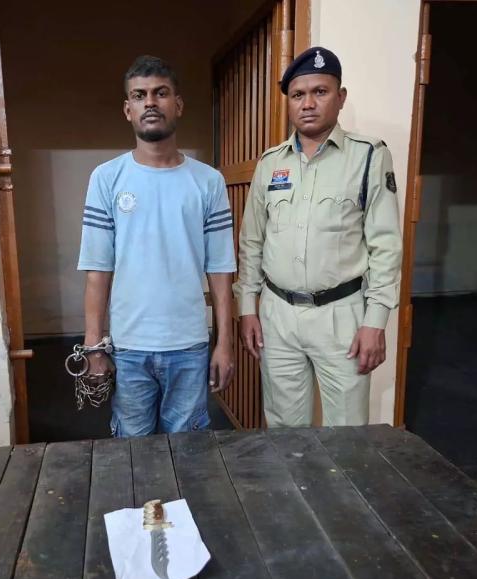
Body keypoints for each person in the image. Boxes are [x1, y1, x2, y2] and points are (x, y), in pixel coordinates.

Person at [236, 47, 402, 427]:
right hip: (277, 315)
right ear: (289, 103)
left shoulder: (369, 156)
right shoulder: (270, 163)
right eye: (298, 94)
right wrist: (247, 307)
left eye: (320, 92)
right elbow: (252, 242)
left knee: (347, 431)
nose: (308, 103)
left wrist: (375, 321)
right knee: (283, 428)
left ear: (340, 97)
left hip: (342, 316)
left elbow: (386, 246)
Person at [77, 55, 236, 437]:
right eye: (140, 95)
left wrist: (224, 343)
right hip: (129, 346)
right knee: (132, 452)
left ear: (177, 105)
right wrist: (94, 347)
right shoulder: (107, 179)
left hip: (189, 345)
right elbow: (98, 270)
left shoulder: (208, 182)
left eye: (160, 93)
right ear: (127, 109)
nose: (150, 102)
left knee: (188, 450)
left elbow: (221, 270)